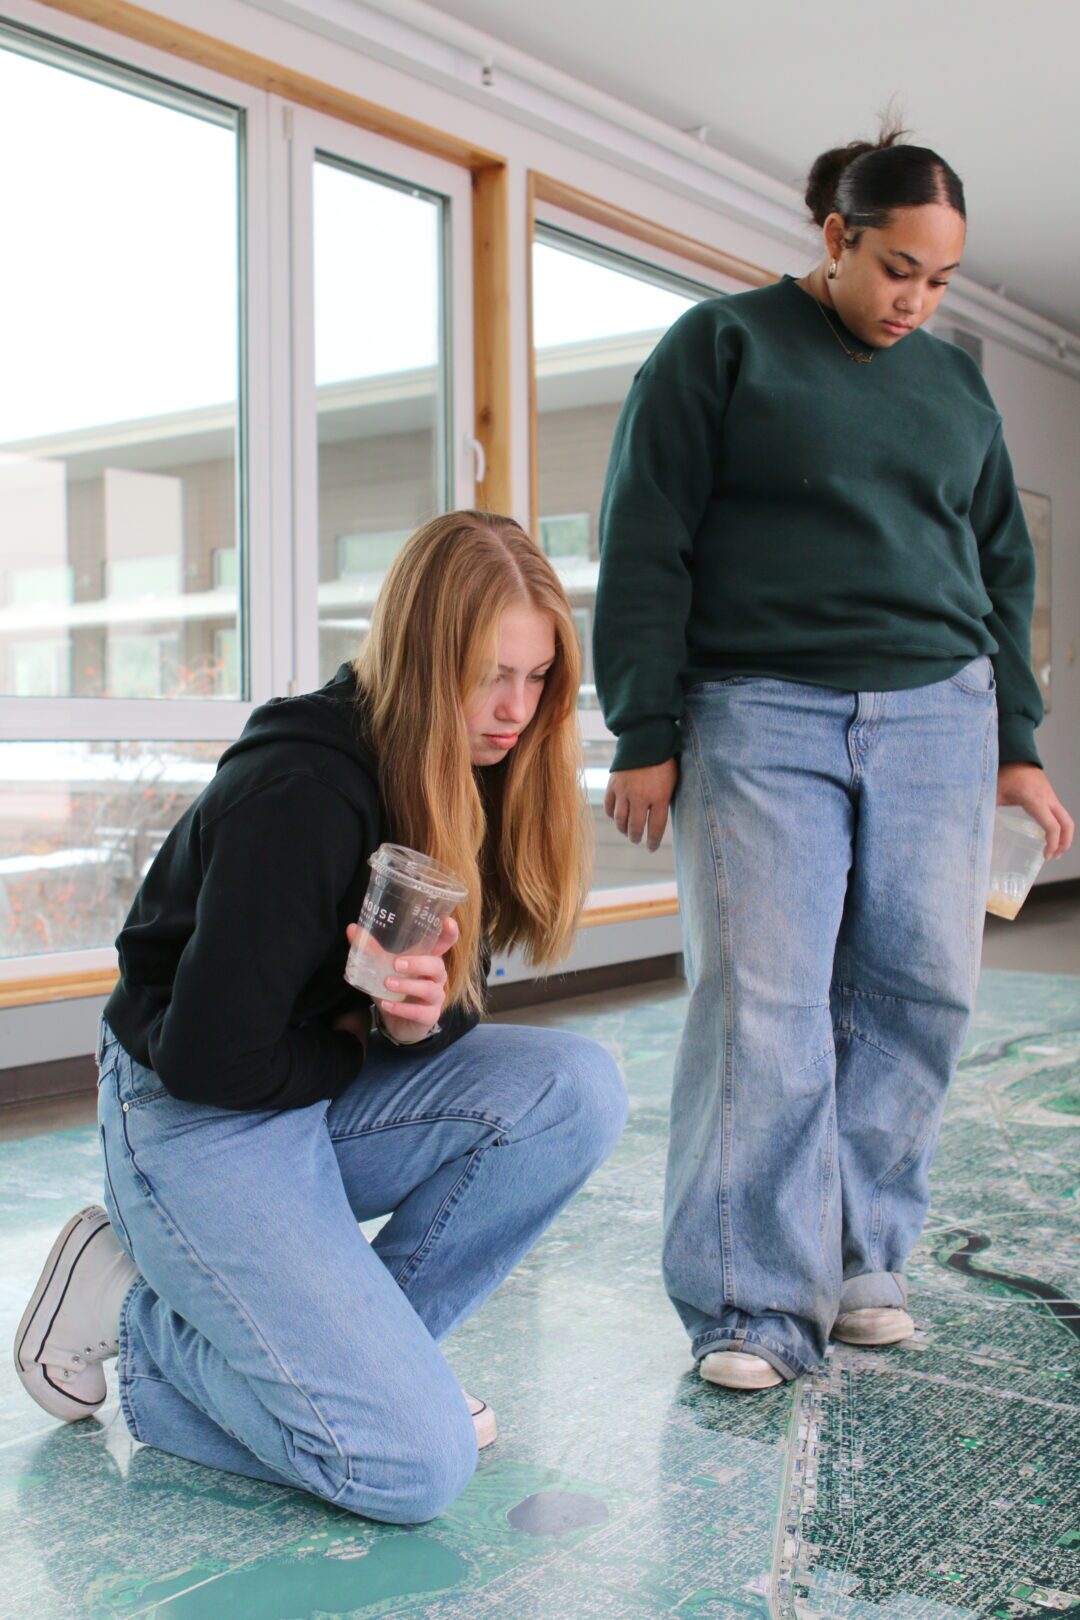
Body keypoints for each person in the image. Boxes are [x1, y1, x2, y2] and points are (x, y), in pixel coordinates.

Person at [16, 512, 627, 1520]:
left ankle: (368, 1382)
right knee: (412, 1469)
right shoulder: (302, 792)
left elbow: (442, 994)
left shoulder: (471, 766)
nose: (516, 710)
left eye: (538, 677)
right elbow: (211, 1060)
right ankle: (133, 1318)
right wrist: (359, 1038)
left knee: (576, 1089)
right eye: (489, 676)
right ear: (424, 660)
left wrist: (413, 1024)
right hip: (194, 1116)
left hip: (296, 1087)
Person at [593, 130, 1074, 1392]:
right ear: (835, 238)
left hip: (941, 716)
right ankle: (750, 1301)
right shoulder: (721, 346)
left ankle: (859, 1257)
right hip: (760, 712)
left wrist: (1018, 748)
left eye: (940, 281)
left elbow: (1002, 570)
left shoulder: (955, 390)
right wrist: (644, 727)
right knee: (763, 1005)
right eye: (897, 269)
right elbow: (646, 536)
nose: (916, 301)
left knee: (919, 995)